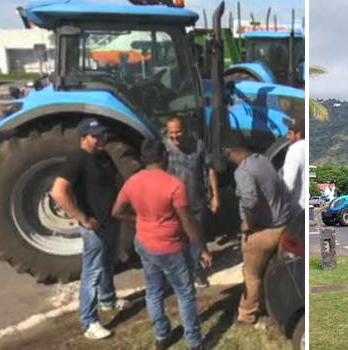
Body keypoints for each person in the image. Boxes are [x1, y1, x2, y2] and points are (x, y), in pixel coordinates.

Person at [112, 139, 212, 350]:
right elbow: (187, 221)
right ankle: (194, 341)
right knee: (185, 293)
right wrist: (202, 248)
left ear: (143, 158)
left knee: (154, 290)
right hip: (171, 247)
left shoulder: (133, 181)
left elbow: (117, 211)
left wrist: (140, 219)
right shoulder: (174, 184)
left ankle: (162, 335)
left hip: (145, 243)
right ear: (165, 156)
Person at [51, 118, 131, 340]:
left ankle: (108, 300)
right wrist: (83, 218)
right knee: (92, 272)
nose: (101, 139)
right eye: (95, 136)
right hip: (94, 227)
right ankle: (89, 322)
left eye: (102, 135)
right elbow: (58, 192)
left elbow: (116, 182)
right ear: (83, 138)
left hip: (111, 221)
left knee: (108, 262)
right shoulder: (76, 160)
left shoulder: (103, 156)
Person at [225, 139, 296, 325]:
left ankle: (246, 314)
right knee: (267, 272)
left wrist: (248, 224)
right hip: (282, 225)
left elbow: (250, 200)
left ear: (230, 152)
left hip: (264, 231)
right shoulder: (262, 160)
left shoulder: (243, 171)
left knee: (252, 275)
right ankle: (267, 306)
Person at [164, 117, 219, 288]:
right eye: (171, 133)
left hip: (196, 200)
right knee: (177, 239)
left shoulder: (198, 145)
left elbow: (210, 169)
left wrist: (216, 195)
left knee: (196, 238)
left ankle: (196, 271)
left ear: (185, 130)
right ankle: (179, 273)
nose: (175, 137)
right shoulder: (163, 148)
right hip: (173, 204)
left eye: (178, 132)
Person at [282, 115, 305, 209]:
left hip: (297, 208)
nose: (287, 136)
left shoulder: (294, 150)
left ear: (298, 134)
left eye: (290, 133)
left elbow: (287, 184)